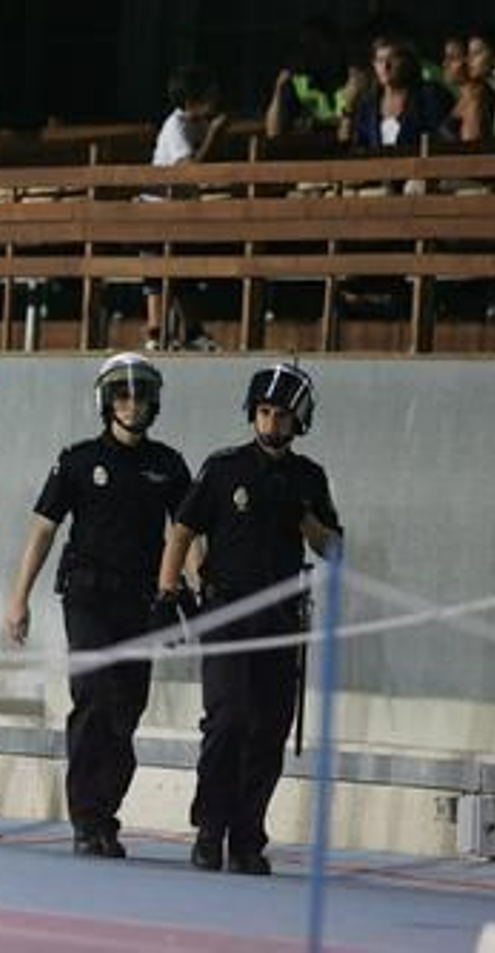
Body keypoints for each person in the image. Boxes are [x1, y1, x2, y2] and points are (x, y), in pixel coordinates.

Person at [156, 362, 343, 876]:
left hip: (281, 618)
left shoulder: (309, 477)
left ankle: (246, 835)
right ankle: (209, 828)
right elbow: (182, 530)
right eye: (263, 412)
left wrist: (305, 518)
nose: (271, 423)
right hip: (226, 610)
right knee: (228, 719)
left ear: (298, 420)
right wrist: (167, 592)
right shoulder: (223, 468)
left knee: (269, 727)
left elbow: (334, 548)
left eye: (281, 415)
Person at [4, 353, 191, 858]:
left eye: (141, 395)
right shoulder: (78, 460)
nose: (133, 404)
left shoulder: (169, 465)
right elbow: (43, 530)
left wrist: (195, 594)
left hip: (142, 603)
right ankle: (86, 818)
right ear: (107, 402)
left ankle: (105, 814)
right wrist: (19, 598)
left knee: (127, 708)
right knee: (95, 696)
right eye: (123, 395)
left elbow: (188, 536)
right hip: (87, 599)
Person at [145, 64, 227, 351]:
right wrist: (213, 136)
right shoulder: (176, 126)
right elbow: (188, 169)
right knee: (157, 274)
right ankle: (156, 333)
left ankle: (191, 331)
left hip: (181, 211)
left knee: (185, 274)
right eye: (210, 94)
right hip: (157, 210)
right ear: (193, 99)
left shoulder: (199, 124)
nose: (216, 99)